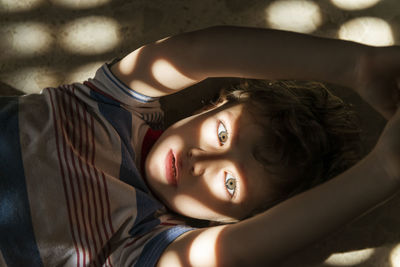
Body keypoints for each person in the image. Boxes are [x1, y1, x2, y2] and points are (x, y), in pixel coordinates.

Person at [0, 25, 399, 267]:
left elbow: (237, 255)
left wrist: (381, 171)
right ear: (213, 103)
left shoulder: (143, 243)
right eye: (222, 134)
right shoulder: (108, 104)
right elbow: (195, 53)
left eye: (229, 184)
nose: (201, 160)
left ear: (238, 220)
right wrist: (356, 65)